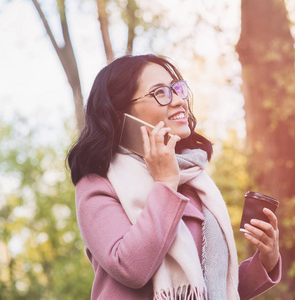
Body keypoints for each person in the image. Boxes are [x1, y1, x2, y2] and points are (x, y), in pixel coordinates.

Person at [67, 54, 281, 300]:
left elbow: (213, 288)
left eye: (177, 89)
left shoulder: (194, 181)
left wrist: (266, 261)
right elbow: (130, 268)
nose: (180, 100)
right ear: (118, 112)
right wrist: (165, 184)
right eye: (160, 92)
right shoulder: (98, 184)